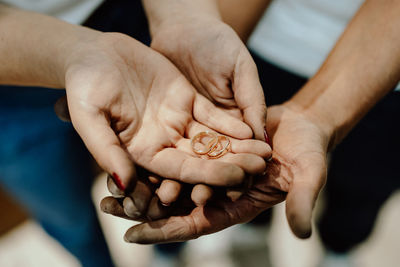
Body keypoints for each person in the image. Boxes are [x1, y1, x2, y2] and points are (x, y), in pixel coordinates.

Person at [103, 0, 400, 249]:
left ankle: (340, 247)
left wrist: (316, 115)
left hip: (385, 66)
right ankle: (251, 236)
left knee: (362, 187)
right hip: (266, 41)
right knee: (253, 172)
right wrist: (199, 36)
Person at [0, 0, 272, 266]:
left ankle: (167, 254)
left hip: (138, 26)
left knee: (171, 195)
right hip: (12, 66)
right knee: (66, 214)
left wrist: (183, 16)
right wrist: (77, 54)